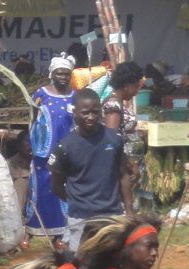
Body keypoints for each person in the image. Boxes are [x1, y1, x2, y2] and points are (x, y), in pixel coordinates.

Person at [49, 91, 133, 252]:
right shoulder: (65, 147)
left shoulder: (114, 139)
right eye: (85, 113)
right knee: (81, 259)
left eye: (95, 112)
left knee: (113, 257)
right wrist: (77, 201)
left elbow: (123, 175)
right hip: (80, 218)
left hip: (112, 215)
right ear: (75, 112)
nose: (91, 117)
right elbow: (57, 186)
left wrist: (129, 210)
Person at [26, 55, 76, 241]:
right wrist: (34, 145)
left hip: (68, 154)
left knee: (64, 191)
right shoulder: (41, 95)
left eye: (66, 74)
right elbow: (32, 121)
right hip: (44, 154)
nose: (63, 77)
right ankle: (35, 229)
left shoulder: (75, 97)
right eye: (59, 73)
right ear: (51, 74)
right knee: (42, 190)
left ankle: (63, 232)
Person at [101, 60, 145, 137]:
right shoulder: (112, 105)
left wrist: (148, 118)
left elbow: (129, 117)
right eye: (136, 86)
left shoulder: (118, 102)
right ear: (126, 86)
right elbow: (112, 137)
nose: (137, 92)